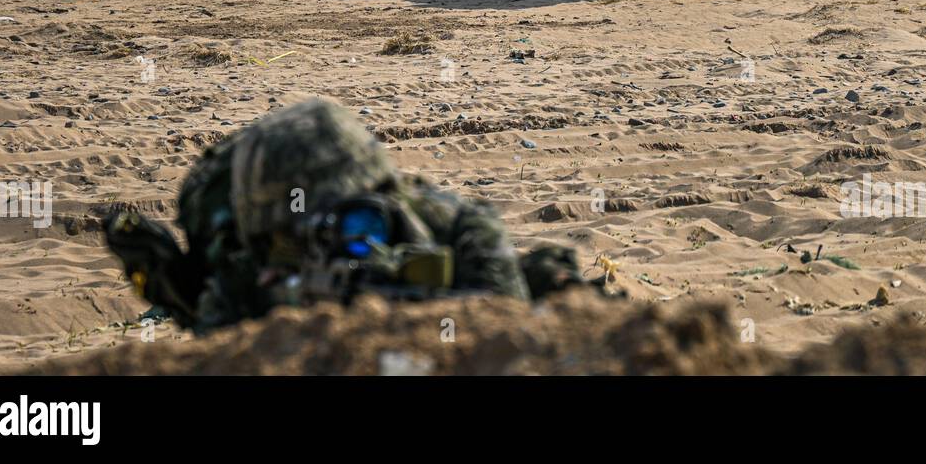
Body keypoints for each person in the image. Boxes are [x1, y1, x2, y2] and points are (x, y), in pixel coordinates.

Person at [104, 99, 587, 331]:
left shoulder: (454, 226)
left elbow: (504, 327)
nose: (330, 238)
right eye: (296, 232)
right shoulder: (256, 268)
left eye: (353, 219)